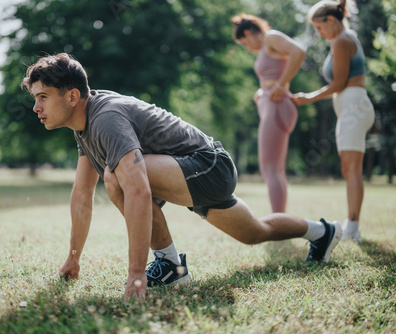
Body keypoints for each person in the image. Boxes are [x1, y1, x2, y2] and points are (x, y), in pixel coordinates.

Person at [21, 53, 342, 302]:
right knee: (255, 232)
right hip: (191, 173)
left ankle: (171, 266)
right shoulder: (84, 127)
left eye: (43, 96)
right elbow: (81, 195)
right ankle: (323, 232)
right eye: (35, 97)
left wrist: (136, 274)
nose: (36, 107)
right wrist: (73, 258)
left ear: (73, 96)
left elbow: (139, 191)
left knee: (118, 178)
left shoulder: (105, 118)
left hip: (208, 165)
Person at [292, 0, 375, 242]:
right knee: (350, 169)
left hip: (353, 109)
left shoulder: (340, 41)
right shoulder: (348, 37)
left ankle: (353, 228)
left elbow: (338, 84)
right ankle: (352, 224)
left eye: (319, 27)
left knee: (352, 171)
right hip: (355, 108)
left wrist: (307, 98)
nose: (319, 33)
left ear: (330, 20)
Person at [232, 14, 306, 213]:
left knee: (270, 169)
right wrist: (262, 91)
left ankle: (279, 220)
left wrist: (281, 86)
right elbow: (271, 76)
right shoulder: (267, 47)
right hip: (273, 106)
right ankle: (280, 218)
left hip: (277, 106)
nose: (248, 48)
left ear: (248, 33)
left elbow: (298, 52)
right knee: (275, 169)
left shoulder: (271, 38)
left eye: (245, 43)